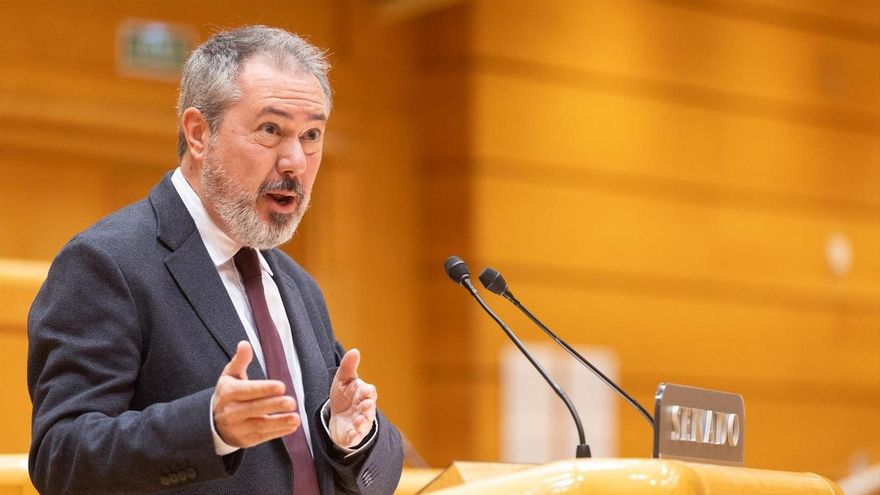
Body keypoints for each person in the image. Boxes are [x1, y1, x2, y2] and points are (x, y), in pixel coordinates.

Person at [27, 25, 403, 495]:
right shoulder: (107, 263)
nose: (296, 162)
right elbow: (62, 457)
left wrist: (346, 435)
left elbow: (378, 468)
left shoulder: (297, 285)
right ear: (199, 133)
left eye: (311, 135)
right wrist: (209, 428)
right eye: (271, 129)